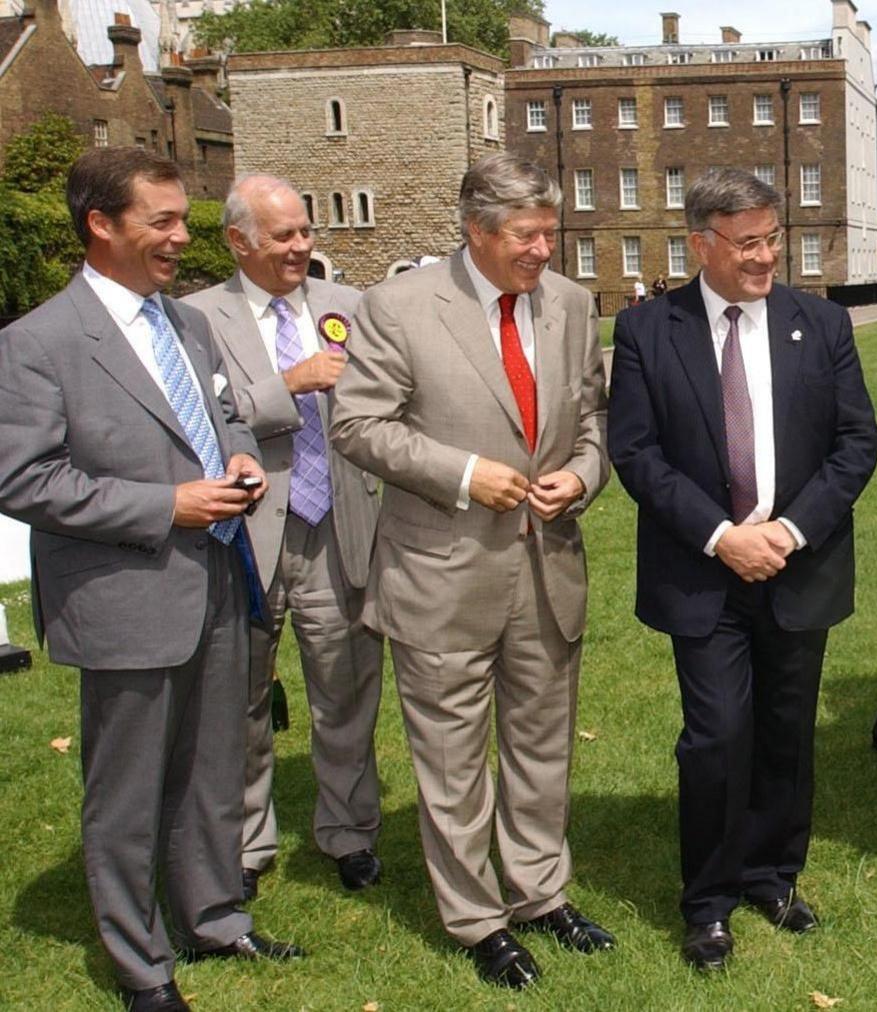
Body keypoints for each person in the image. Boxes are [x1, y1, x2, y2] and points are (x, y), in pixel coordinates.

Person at [0, 147, 301, 1012]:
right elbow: (23, 479)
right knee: (128, 789)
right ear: (101, 224)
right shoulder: (36, 344)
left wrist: (239, 452)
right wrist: (161, 504)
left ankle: (214, 917)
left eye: (182, 218)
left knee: (214, 768)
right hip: (125, 595)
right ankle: (140, 962)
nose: (181, 237)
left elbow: (227, 413)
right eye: (161, 221)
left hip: (216, 582)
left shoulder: (188, 325)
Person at [330, 152, 613, 987]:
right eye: (527, 235)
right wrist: (463, 475)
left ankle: (540, 893)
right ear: (476, 231)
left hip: (547, 570)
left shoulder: (570, 303)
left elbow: (593, 417)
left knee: (541, 746)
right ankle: (477, 919)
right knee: (452, 765)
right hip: (441, 576)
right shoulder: (399, 307)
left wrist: (584, 475)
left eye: (550, 231)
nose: (543, 249)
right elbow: (358, 426)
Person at [608, 168, 877, 971]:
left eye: (773, 239)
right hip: (703, 571)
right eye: (749, 242)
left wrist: (789, 532)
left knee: (787, 733)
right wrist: (722, 536)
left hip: (799, 564)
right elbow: (636, 453)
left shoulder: (820, 324)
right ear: (701, 244)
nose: (766, 256)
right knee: (718, 734)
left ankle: (772, 876)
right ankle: (709, 900)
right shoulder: (648, 331)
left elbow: (857, 443)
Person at [184, 175, 386, 902]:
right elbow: (192, 417)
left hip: (339, 527)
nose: (301, 246)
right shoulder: (195, 318)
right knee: (239, 696)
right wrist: (288, 384)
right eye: (284, 237)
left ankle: (350, 832)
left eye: (305, 232)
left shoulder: (349, 309)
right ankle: (246, 841)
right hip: (245, 535)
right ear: (239, 242)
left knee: (347, 691)